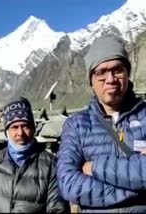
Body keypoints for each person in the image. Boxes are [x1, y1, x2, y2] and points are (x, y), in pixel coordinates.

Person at [57, 34, 146, 212]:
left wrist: (94, 167)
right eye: (101, 72)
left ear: (127, 74)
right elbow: (67, 183)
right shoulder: (76, 126)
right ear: (91, 81)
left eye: (118, 70)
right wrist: (139, 192)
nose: (111, 79)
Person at [0, 97, 69, 213]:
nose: (20, 133)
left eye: (25, 126)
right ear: (7, 131)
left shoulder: (51, 165)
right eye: (14, 127)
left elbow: (57, 209)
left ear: (33, 129)